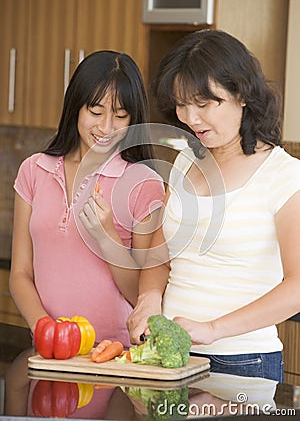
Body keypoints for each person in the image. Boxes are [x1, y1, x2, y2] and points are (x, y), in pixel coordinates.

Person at [127, 29, 300, 381]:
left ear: (242, 95)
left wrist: (213, 329)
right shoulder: (185, 162)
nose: (190, 118)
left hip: (243, 361)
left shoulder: (284, 176)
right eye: (181, 104)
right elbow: (162, 256)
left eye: (204, 104)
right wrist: (148, 299)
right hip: (169, 355)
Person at [9, 50, 165, 348]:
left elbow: (141, 296)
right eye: (95, 112)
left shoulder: (143, 184)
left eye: (120, 116)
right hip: (49, 351)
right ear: (75, 107)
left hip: (115, 354)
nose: (106, 128)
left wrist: (108, 239)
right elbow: (20, 273)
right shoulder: (34, 170)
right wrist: (44, 329)